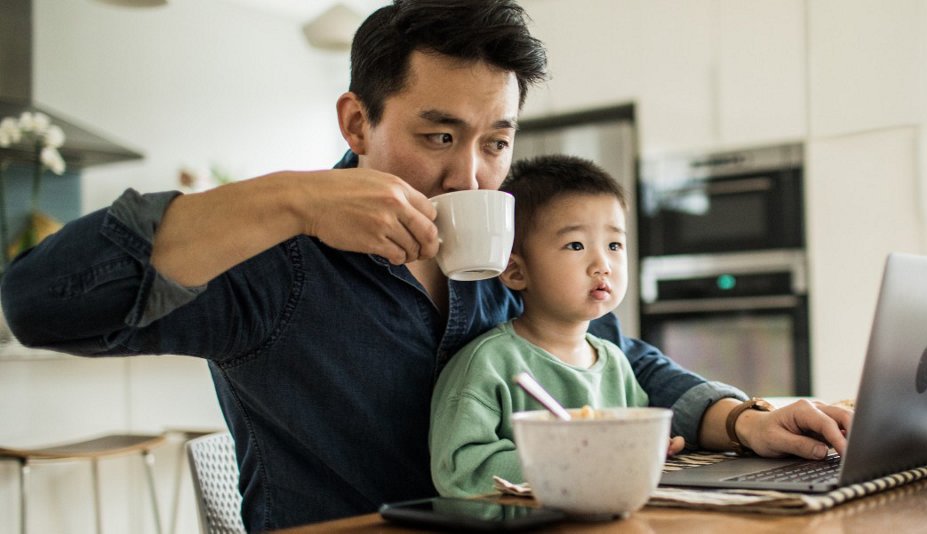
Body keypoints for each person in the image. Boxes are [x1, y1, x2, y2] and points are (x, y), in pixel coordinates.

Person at [0, 0, 851, 530]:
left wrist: (743, 422)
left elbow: (615, 361)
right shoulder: (274, 260)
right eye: (438, 135)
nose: (468, 176)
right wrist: (293, 199)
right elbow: (39, 303)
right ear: (356, 121)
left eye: (497, 142)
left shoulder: (508, 253)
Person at [431, 155, 679, 497]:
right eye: (575, 245)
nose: (602, 264)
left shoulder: (615, 362)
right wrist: (576, 458)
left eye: (614, 245)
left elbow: (621, 449)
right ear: (517, 271)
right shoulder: (488, 364)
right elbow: (461, 473)